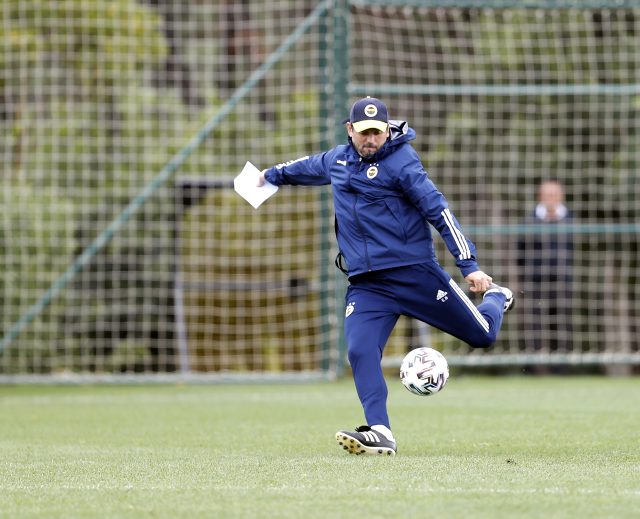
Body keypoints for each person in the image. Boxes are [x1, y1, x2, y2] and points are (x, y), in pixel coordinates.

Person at [258, 97, 514, 456]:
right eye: (364, 132)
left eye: (377, 132)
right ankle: (380, 430)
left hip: (414, 274)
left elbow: (439, 212)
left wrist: (469, 266)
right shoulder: (339, 160)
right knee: (360, 351)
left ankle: (496, 299)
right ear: (350, 130)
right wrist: (269, 176)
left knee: (483, 336)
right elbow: (304, 167)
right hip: (368, 285)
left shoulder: (402, 163)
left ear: (387, 129)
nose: (371, 139)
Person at [517, 180, 573, 358]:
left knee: (562, 322)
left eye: (554, 194)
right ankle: (535, 365)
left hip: (563, 280)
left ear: (561, 196)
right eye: (547, 194)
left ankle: (561, 366)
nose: (551, 198)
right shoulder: (528, 220)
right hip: (535, 280)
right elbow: (521, 252)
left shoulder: (571, 220)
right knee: (534, 323)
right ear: (540, 196)